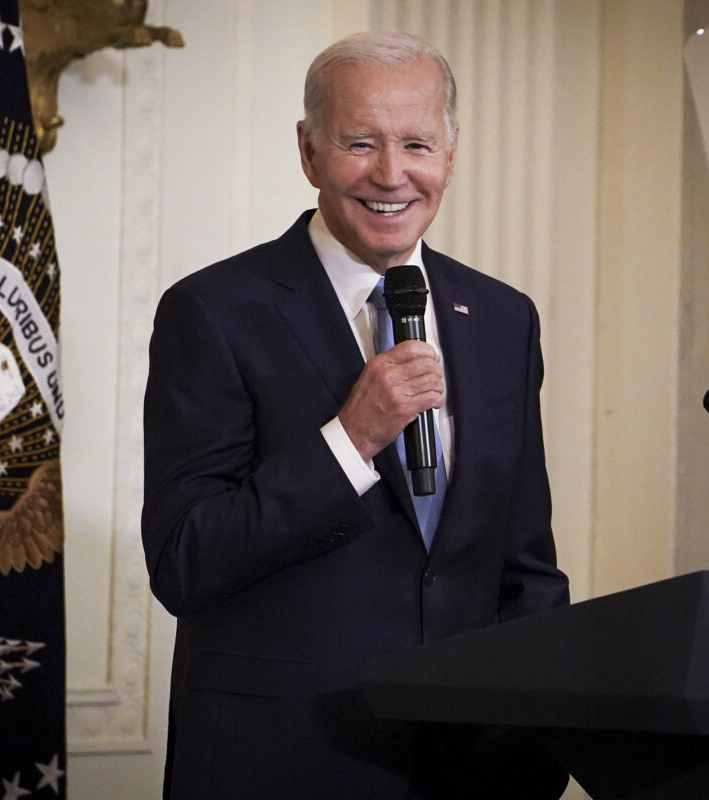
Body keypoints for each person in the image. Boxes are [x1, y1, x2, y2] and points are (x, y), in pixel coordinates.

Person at [142, 31, 570, 799]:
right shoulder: (213, 311)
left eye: (417, 144)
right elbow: (184, 560)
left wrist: (534, 749)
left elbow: (527, 566)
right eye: (360, 143)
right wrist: (350, 441)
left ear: (451, 151)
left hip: (467, 765)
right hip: (282, 757)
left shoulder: (504, 318)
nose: (391, 174)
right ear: (308, 152)